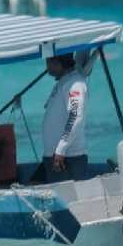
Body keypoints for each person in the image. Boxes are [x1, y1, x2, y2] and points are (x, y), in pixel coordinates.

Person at [40, 53, 89, 183]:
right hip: (57, 156)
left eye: (48, 61)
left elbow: (75, 116)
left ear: (57, 62)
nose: (47, 65)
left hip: (67, 158)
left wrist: (61, 149)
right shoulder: (65, 81)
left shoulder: (75, 83)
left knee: (70, 202)